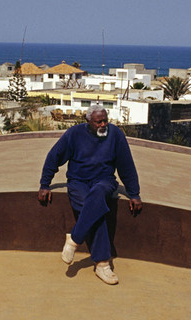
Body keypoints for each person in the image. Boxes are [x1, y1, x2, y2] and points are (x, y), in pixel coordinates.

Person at [38, 105, 142, 285]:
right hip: (78, 182)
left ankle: (74, 239)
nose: (103, 124)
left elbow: (126, 166)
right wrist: (44, 184)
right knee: (96, 211)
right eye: (98, 121)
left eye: (105, 120)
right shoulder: (74, 134)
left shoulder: (115, 135)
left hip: (104, 181)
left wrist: (134, 193)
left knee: (98, 193)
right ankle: (102, 263)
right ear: (88, 122)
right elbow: (54, 157)